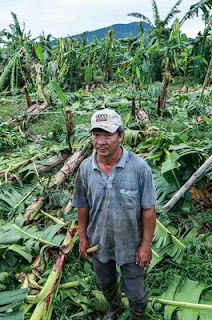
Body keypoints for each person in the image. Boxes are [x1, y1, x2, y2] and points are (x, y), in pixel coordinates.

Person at [72, 109, 157, 320]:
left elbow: (148, 209)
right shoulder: (84, 169)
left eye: (108, 135)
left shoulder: (139, 168)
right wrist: (83, 237)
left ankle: (137, 316)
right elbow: (82, 205)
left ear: (121, 135)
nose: (101, 142)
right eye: (96, 135)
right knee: (106, 282)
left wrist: (145, 246)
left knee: (137, 293)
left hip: (131, 244)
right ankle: (115, 307)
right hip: (99, 242)